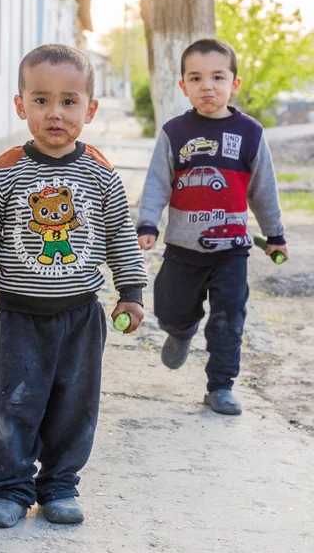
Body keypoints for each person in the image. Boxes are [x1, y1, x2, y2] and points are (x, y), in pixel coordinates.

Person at [0, 44, 147, 528]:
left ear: (90, 108)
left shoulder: (101, 172)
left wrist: (130, 291)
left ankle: (60, 485)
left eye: (68, 101)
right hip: (20, 315)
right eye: (41, 100)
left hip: (81, 317)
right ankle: (10, 488)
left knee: (73, 409)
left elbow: (121, 235)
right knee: (12, 404)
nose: (55, 113)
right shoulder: (5, 169)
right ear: (21, 105)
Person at [136, 38, 288, 416]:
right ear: (183, 86)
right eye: (196, 77)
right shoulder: (175, 132)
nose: (207, 86)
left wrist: (275, 236)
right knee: (170, 306)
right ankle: (181, 330)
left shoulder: (250, 133)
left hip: (232, 250)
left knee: (229, 317)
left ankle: (220, 385)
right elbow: (158, 182)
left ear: (234, 83)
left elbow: (263, 191)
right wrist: (148, 223)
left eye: (217, 77)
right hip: (183, 248)